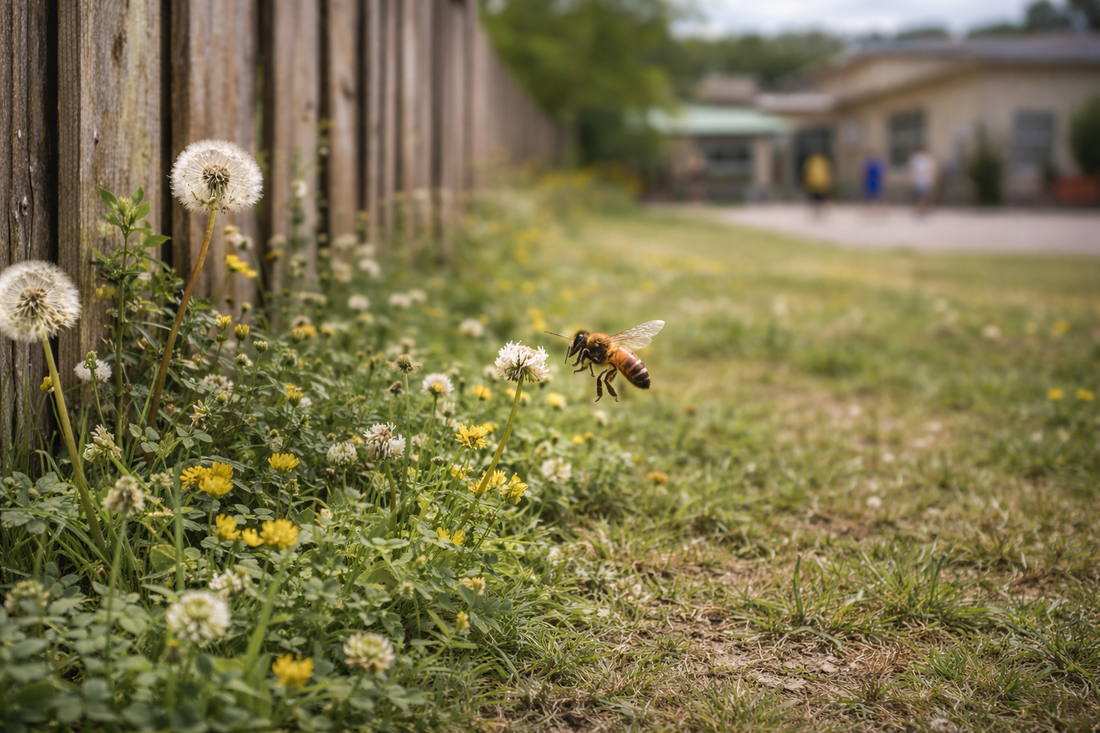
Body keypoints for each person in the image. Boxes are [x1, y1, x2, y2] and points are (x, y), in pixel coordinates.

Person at [909, 147, 938, 216]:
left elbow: (932, 170)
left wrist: (932, 178)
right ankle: (919, 208)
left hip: (926, 180)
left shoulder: (928, 159)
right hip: (919, 181)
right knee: (919, 195)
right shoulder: (916, 159)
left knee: (925, 195)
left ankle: (925, 208)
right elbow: (912, 170)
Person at [802, 152, 832, 218]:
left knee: (816, 198)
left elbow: (806, 172)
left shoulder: (811, 161)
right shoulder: (823, 161)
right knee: (820, 198)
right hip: (820, 183)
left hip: (815, 183)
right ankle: (819, 212)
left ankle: (817, 212)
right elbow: (827, 172)